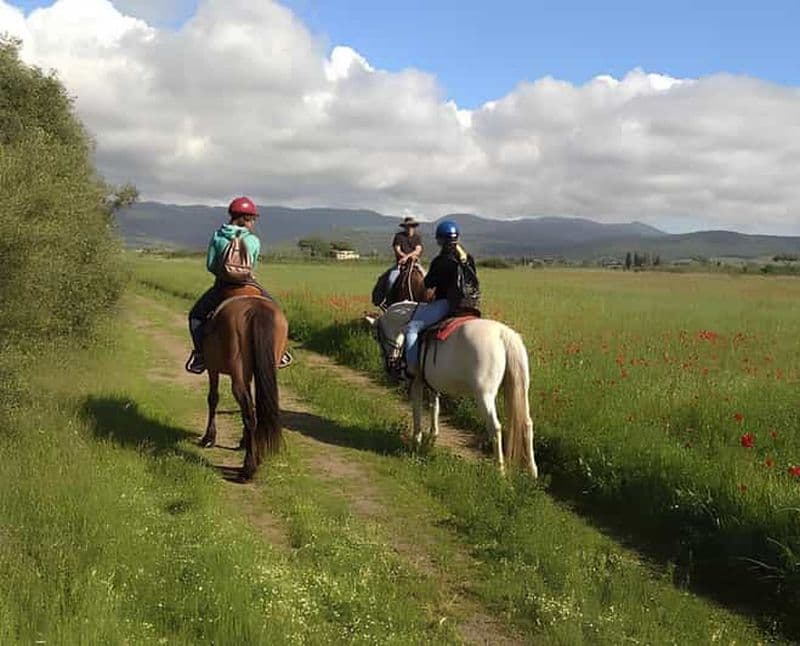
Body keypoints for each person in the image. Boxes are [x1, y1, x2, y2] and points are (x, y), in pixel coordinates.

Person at [186, 196, 289, 374]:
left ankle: (200, 356)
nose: (253, 223)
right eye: (252, 219)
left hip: (223, 286)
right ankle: (280, 353)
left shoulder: (218, 236)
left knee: (195, 316)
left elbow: (210, 265)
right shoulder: (253, 240)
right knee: (277, 312)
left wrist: (224, 274)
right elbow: (252, 266)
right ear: (245, 218)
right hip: (249, 283)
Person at [393, 219, 480, 378]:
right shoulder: (468, 258)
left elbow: (428, 283)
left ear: (439, 240)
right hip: (472, 306)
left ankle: (412, 370)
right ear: (456, 238)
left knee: (412, 328)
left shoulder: (441, 260)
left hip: (448, 305)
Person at [385, 216, 424, 296]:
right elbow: (397, 250)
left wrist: (407, 257)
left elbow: (418, 250)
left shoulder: (417, 237)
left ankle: (428, 300)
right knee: (391, 280)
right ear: (405, 227)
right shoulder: (399, 236)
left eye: (412, 226)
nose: (410, 228)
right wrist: (404, 257)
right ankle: (388, 299)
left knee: (426, 279)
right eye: (408, 226)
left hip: (415, 264)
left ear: (414, 227)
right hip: (401, 265)